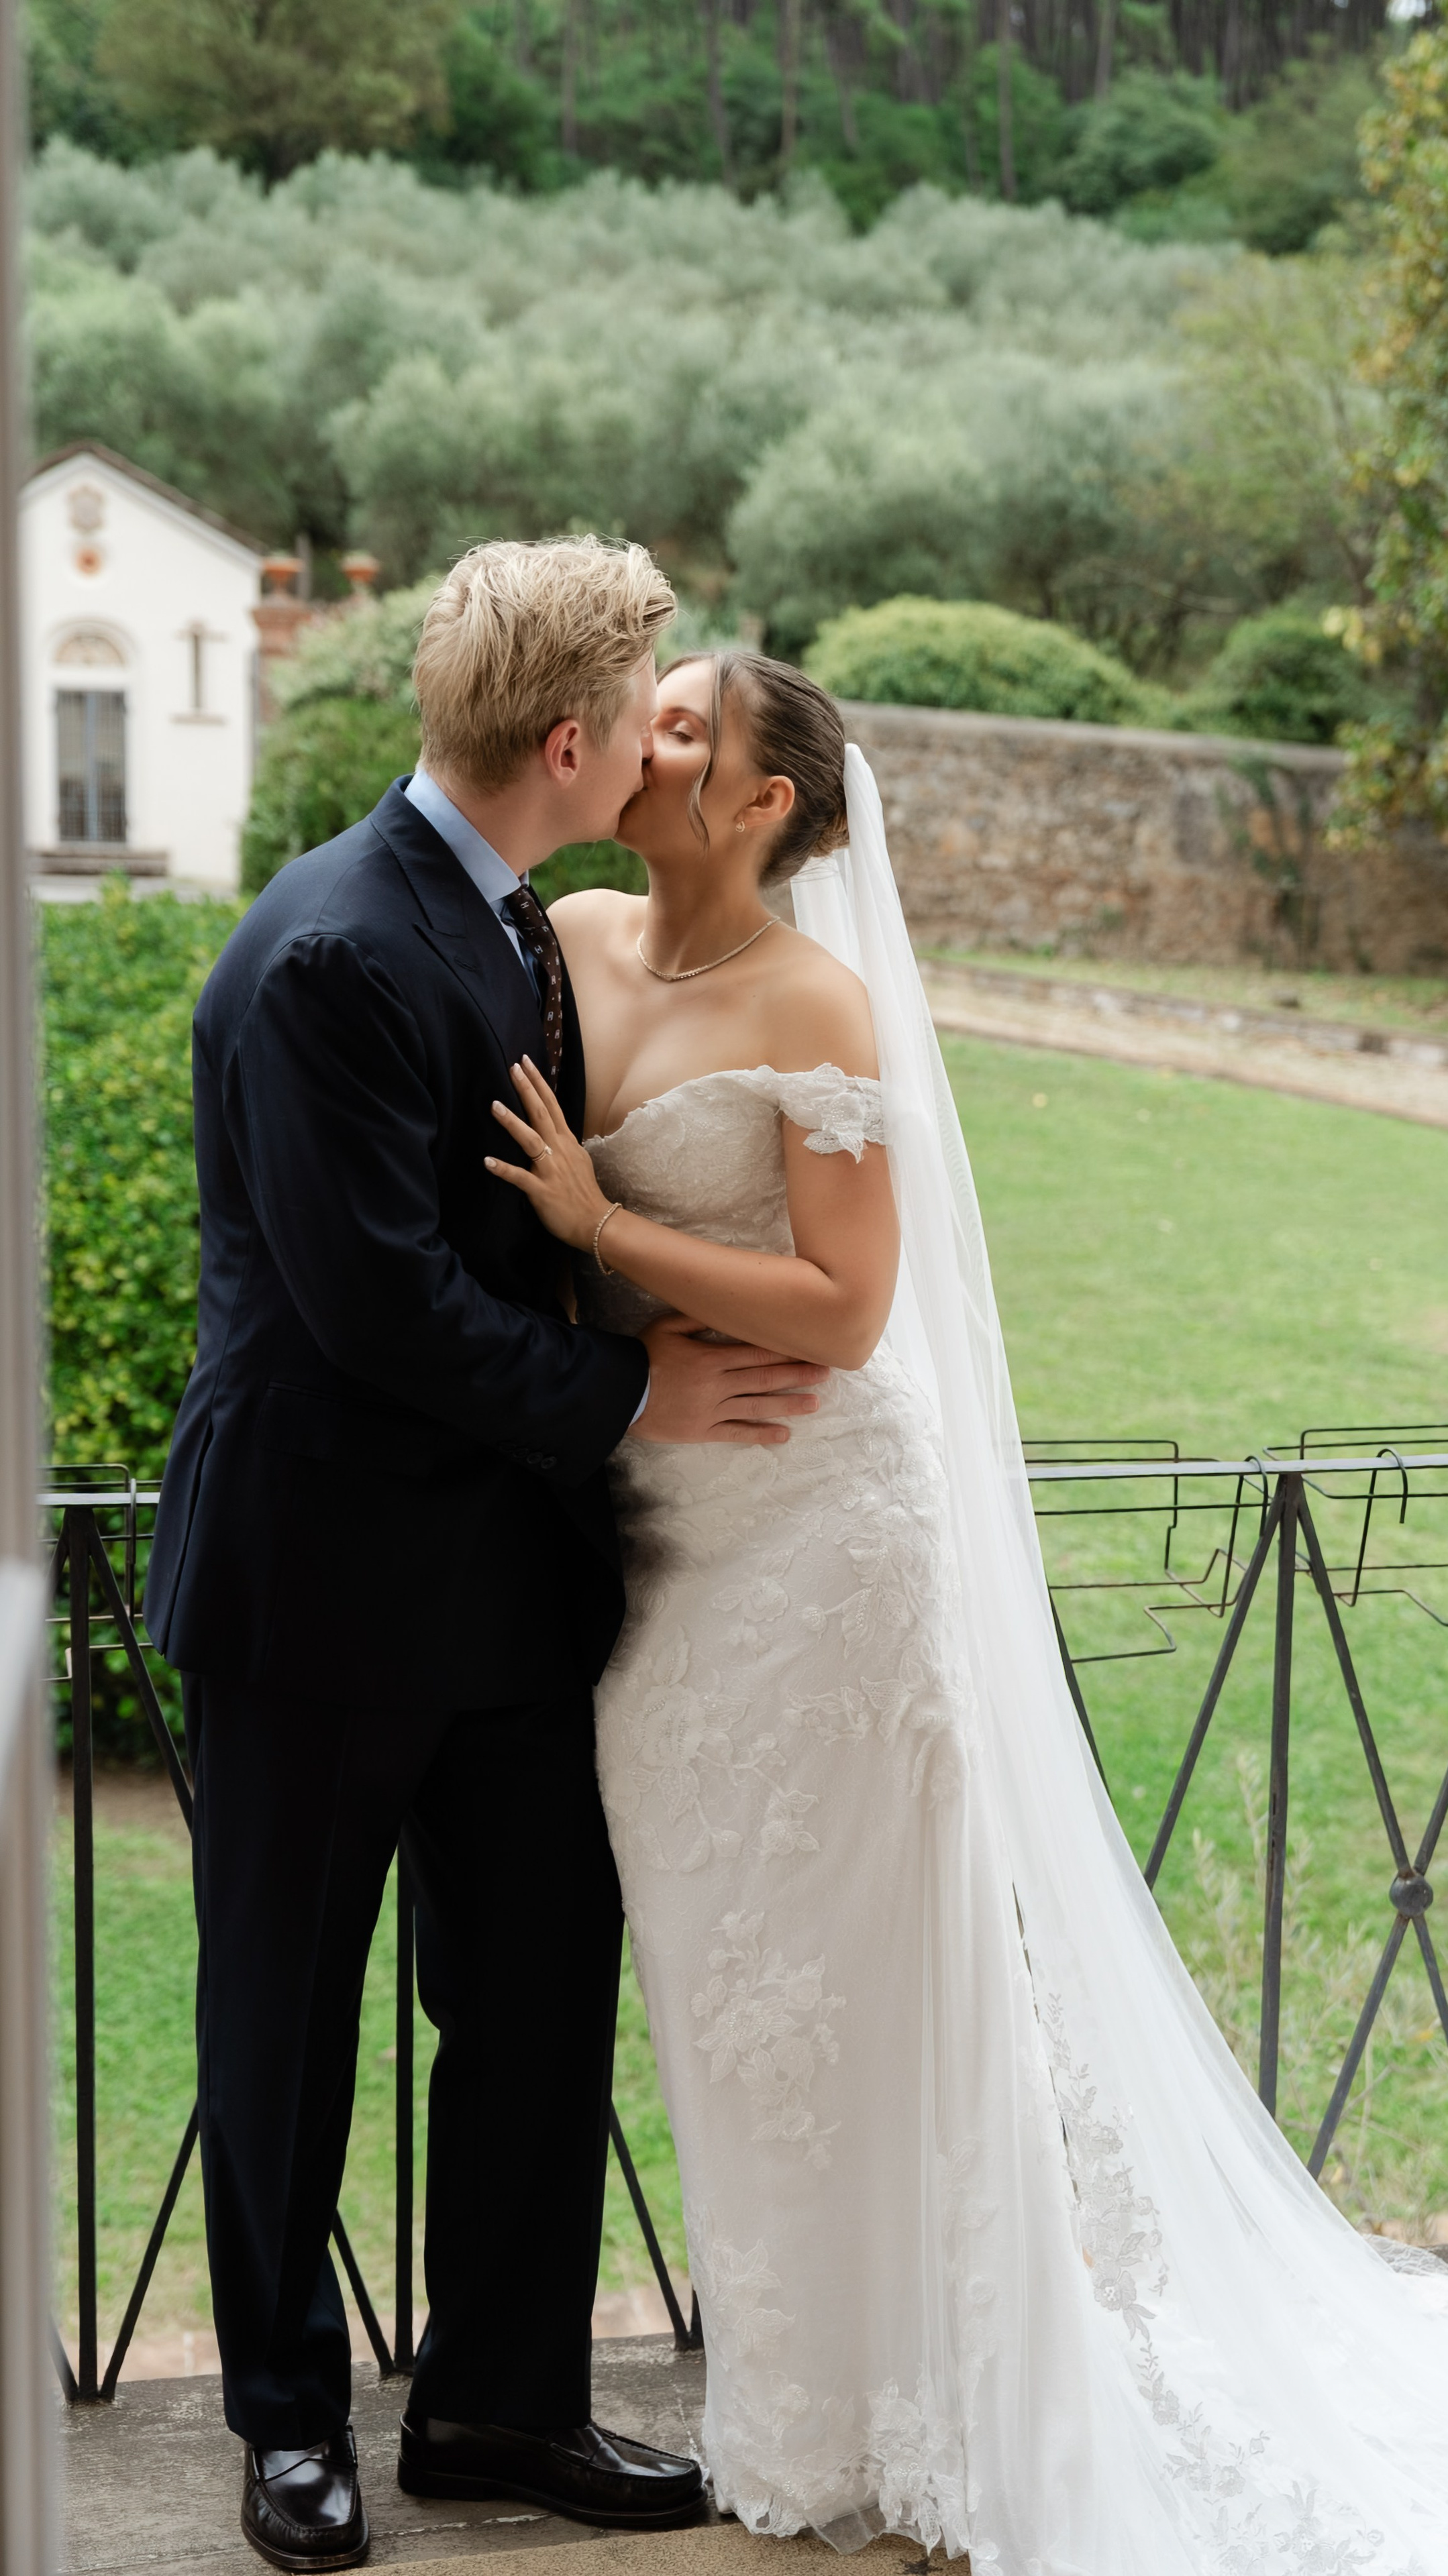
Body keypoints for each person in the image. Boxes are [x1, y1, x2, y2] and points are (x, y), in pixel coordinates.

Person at [492, 646, 1448, 2575]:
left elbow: (848, 1305)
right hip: (666, 1545)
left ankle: (955, 2390)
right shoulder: (561, 937)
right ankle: (798, 2393)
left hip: (824, 1537)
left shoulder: (819, 1002)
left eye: (687, 733)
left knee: (873, 1976)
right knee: (735, 1986)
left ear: (763, 807)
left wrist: (603, 1232)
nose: (648, 744)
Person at [146, 543, 832, 2573]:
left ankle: (500, 2405)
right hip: (316, 1588)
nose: (661, 739)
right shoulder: (334, 948)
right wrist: (641, 1401)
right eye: (643, 710)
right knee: (283, 2015)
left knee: (536, 2000)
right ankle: (287, 2425)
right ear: (568, 741)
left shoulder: (517, 915)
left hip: (511, 1593)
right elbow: (381, 1308)